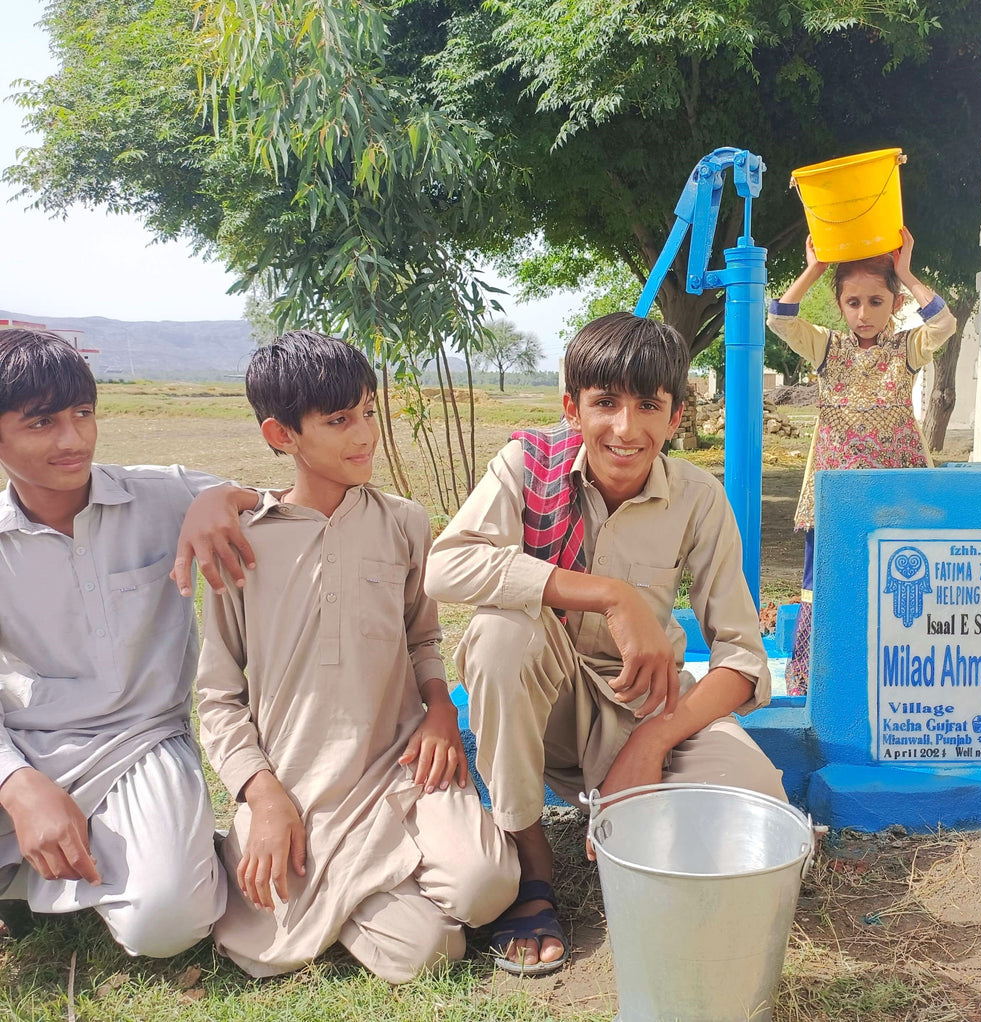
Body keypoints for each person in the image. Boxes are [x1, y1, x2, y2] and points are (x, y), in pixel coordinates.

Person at [424, 312, 785, 976]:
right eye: (605, 404)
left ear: (676, 417)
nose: (626, 427)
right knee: (500, 635)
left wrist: (651, 745)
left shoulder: (699, 499)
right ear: (572, 407)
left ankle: (640, 820)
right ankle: (533, 867)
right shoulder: (528, 464)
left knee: (759, 806)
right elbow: (446, 568)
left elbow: (741, 657)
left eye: (648, 405)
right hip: (551, 709)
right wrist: (609, 595)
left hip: (649, 707)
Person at [194, 330, 518, 982]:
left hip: (403, 766)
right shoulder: (242, 542)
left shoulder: (405, 523)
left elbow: (424, 637)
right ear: (281, 435)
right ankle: (364, 890)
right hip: (298, 789)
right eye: (338, 421)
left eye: (368, 411)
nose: (364, 434)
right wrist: (263, 795)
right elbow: (217, 694)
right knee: (426, 950)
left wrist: (436, 710)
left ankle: (354, 887)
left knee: (488, 885)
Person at [0, 328, 260, 955]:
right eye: (41, 424)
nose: (73, 439)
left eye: (82, 414)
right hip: (27, 742)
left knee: (166, 925)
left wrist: (218, 499)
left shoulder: (160, 493)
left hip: (144, 739)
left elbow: (272, 503)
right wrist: (16, 784)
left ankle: (43, 873)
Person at [767, 228, 956, 695]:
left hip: (897, 486)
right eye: (853, 302)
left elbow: (944, 324)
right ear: (840, 305)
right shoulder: (826, 346)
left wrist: (907, 273)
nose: (864, 313)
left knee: (902, 575)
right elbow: (779, 319)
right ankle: (814, 679)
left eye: (876, 301)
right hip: (832, 488)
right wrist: (814, 269)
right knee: (824, 579)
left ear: (894, 303)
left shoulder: (905, 349)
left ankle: (900, 676)